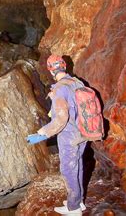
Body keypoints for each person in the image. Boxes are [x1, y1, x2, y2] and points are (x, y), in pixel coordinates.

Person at [26, 55, 87, 215]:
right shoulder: (77, 82)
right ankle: (78, 201)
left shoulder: (60, 88)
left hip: (69, 136)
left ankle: (73, 209)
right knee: (78, 165)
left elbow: (60, 120)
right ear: (64, 66)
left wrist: (41, 133)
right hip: (83, 133)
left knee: (68, 169)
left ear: (50, 70)